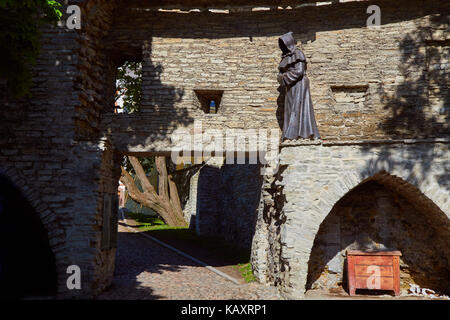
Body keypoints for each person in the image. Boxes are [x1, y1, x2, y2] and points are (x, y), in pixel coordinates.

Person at [278, 32, 320, 140]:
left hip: (299, 84)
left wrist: (285, 77)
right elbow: (280, 73)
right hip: (290, 86)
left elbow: (299, 71)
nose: (283, 46)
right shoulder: (285, 57)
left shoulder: (298, 53)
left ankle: (301, 134)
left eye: (284, 43)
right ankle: (290, 134)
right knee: (290, 109)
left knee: (299, 108)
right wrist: (281, 77)